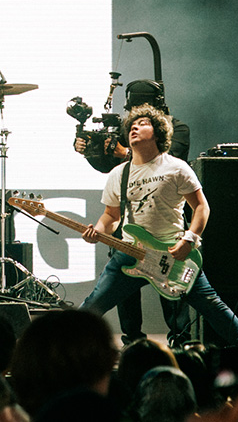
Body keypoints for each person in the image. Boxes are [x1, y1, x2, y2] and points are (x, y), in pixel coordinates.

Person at [79, 104, 238, 349]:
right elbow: (111, 216)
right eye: (132, 124)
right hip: (130, 253)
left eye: (143, 123)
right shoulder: (119, 174)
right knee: (92, 306)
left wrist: (190, 238)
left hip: (173, 253)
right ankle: (57, 351)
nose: (134, 127)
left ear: (158, 133)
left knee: (212, 306)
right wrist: (98, 231)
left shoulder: (176, 167)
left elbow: (201, 207)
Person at [74, 79, 192, 347]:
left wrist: (124, 152)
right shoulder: (127, 131)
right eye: (133, 110)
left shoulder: (177, 129)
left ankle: (181, 342)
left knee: (172, 288)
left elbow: (171, 157)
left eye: (142, 109)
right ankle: (133, 340)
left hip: (166, 229)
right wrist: (89, 151)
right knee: (121, 291)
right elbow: (107, 166)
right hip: (129, 225)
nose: (135, 117)